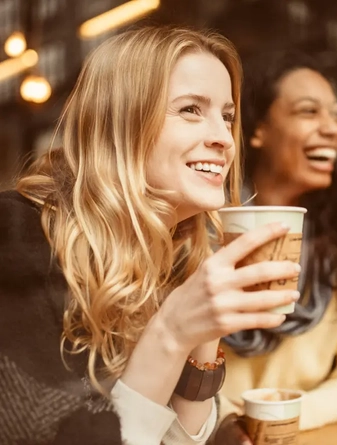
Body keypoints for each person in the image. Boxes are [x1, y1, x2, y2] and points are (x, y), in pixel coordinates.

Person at [0, 27, 302, 445]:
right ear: (121, 122)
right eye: (191, 110)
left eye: (227, 116)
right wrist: (173, 331)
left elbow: (179, 440)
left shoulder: (173, 249)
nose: (223, 138)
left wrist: (204, 334)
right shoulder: (18, 237)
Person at [211, 49, 337, 444]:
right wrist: (219, 423)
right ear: (258, 129)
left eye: (336, 115)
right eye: (309, 112)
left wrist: (270, 418)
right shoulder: (200, 235)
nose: (333, 129)